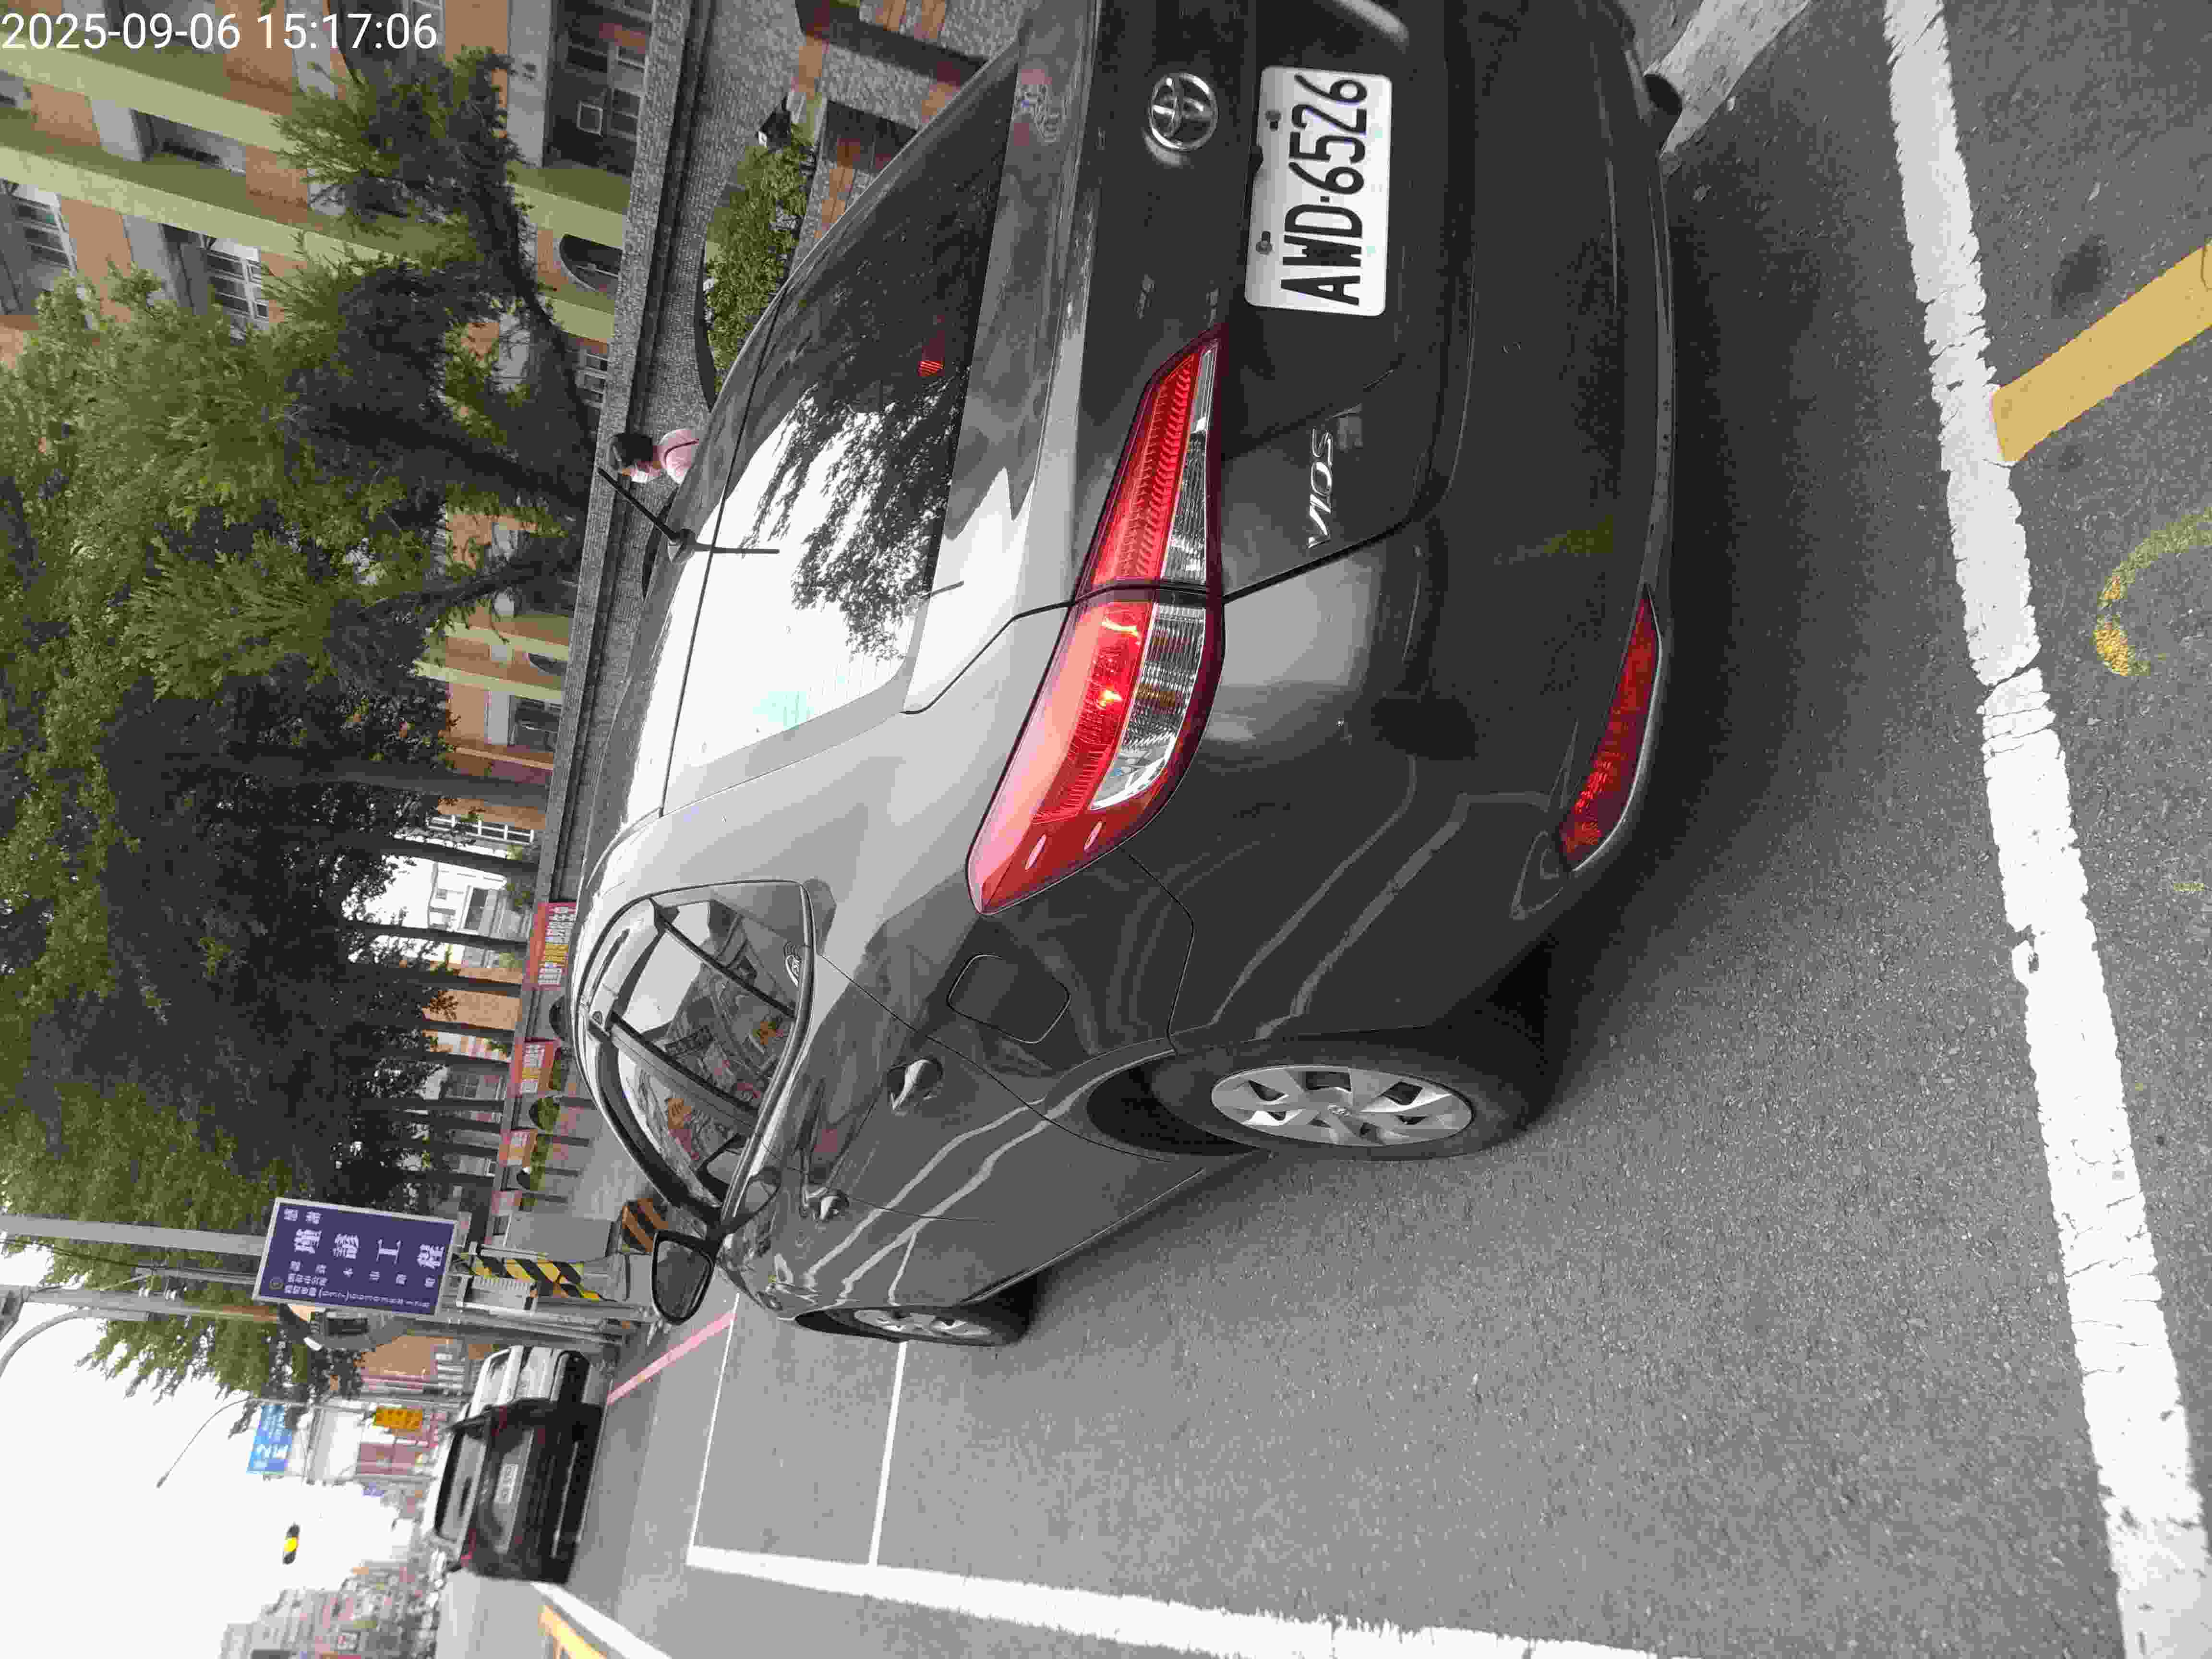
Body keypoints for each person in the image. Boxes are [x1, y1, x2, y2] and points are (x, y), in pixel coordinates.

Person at [612, 426, 700, 485]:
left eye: (630, 473)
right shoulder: (669, 437)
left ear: (639, 464)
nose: (633, 477)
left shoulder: (675, 470)